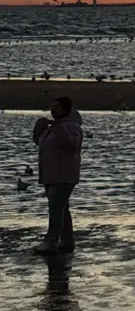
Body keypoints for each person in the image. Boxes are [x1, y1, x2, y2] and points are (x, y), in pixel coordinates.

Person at [32, 96, 84, 255]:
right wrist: (39, 128)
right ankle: (67, 240)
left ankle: (51, 241)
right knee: (62, 208)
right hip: (50, 174)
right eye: (52, 106)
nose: (53, 110)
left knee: (56, 208)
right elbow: (39, 142)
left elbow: (71, 145)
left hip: (64, 174)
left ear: (65, 109)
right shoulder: (52, 127)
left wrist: (58, 127)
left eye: (57, 106)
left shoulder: (73, 127)